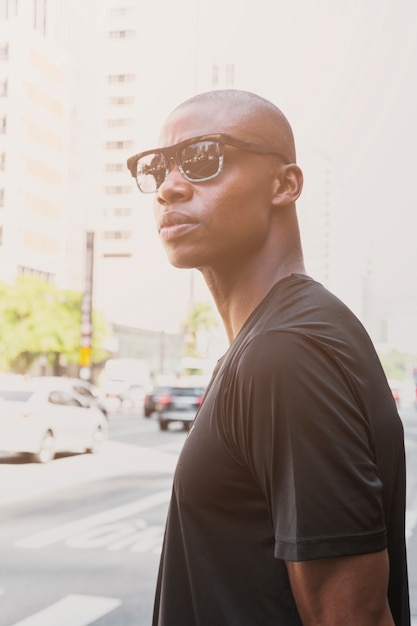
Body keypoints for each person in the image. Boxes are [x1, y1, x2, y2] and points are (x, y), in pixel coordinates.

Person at [127, 89, 410, 626]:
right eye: (157, 167)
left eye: (203, 158)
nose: (169, 187)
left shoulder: (289, 350)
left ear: (286, 184)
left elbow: (352, 617)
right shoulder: (270, 339)